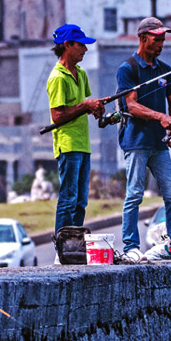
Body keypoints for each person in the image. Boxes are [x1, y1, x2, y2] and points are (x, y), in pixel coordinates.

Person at [116, 17, 171, 263]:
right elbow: (131, 104)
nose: (161, 44)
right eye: (156, 39)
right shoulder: (128, 68)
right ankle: (130, 246)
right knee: (135, 194)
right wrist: (160, 117)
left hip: (160, 143)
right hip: (136, 141)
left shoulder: (165, 70)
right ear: (142, 38)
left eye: (163, 39)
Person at [46, 24, 105, 232]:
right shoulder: (57, 78)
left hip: (83, 143)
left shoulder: (80, 73)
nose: (85, 50)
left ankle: (75, 244)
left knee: (81, 201)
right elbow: (58, 115)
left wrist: (94, 107)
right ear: (67, 45)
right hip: (68, 145)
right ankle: (62, 247)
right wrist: (86, 106)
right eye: (81, 45)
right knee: (68, 199)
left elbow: (82, 105)